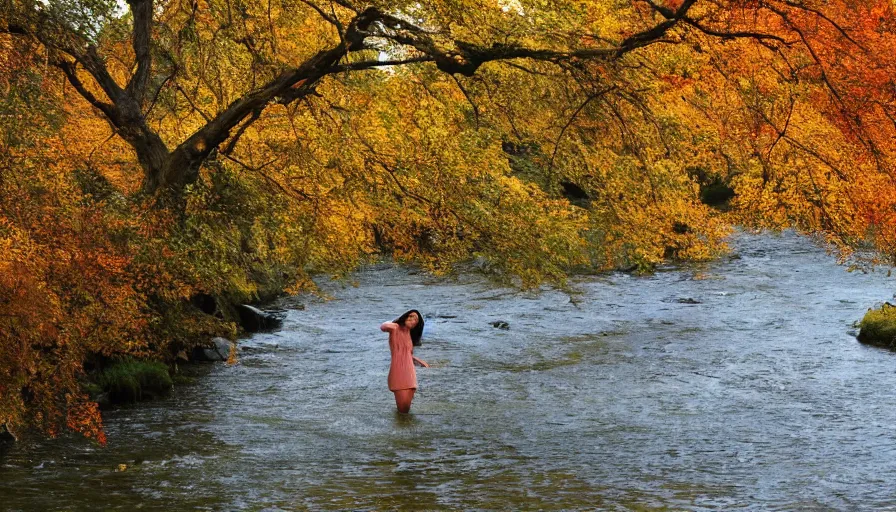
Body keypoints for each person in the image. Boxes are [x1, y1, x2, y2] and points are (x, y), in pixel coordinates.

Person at [380, 310, 428, 413]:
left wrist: (419, 361)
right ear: (404, 317)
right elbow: (383, 327)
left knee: (406, 409)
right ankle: (400, 427)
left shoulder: (409, 335)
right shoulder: (395, 328)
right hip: (399, 372)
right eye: (410, 316)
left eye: (416, 319)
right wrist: (394, 322)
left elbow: (408, 354)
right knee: (403, 409)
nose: (412, 320)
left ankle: (406, 427)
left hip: (410, 373)